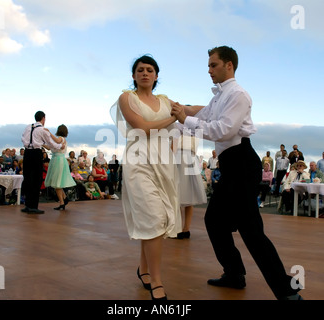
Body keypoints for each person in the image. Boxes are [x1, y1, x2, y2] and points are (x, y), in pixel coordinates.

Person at [171, 46, 303, 300]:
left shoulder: (238, 95)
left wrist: (183, 118)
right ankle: (234, 273)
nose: (208, 70)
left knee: (251, 231)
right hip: (231, 165)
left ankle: (287, 292)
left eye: (213, 65)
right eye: (209, 65)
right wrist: (178, 114)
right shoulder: (220, 97)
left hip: (242, 163)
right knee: (215, 221)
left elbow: (222, 130)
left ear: (229, 65)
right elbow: (203, 116)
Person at [110, 54, 181, 300]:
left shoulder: (165, 101)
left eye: (150, 69)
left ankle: (144, 269)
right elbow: (140, 127)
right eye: (140, 69)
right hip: (139, 160)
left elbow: (190, 111)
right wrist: (174, 117)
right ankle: (158, 281)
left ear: (156, 75)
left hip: (163, 163)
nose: (145, 73)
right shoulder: (127, 97)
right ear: (133, 75)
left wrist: (218, 104)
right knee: (153, 216)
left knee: (153, 218)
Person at [21, 111, 64, 214]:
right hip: (36, 153)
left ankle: (27, 205)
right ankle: (33, 206)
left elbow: (22, 138)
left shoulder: (28, 127)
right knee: (36, 179)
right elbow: (51, 143)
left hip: (27, 153)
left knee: (27, 178)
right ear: (43, 118)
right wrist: (60, 146)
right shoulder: (42, 130)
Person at [173, 130, 207, 240]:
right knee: (185, 194)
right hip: (189, 158)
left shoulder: (180, 128)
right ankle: (184, 229)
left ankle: (180, 229)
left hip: (182, 158)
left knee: (177, 194)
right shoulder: (193, 128)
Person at [44, 124, 76, 210]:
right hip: (56, 159)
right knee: (57, 181)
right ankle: (64, 198)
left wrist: (49, 133)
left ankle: (62, 202)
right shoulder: (59, 140)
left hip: (58, 160)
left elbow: (57, 141)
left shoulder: (61, 139)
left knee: (57, 182)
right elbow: (50, 148)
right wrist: (42, 144)